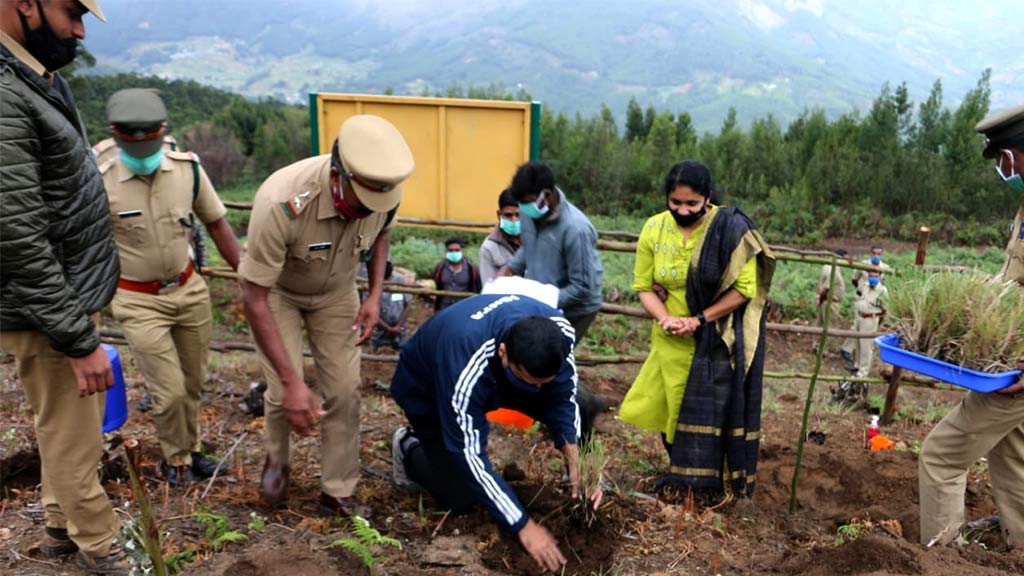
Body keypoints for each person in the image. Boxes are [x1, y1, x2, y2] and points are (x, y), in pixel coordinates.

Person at [0, 1, 130, 574]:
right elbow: (16, 233)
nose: (79, 30)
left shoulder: (31, 76)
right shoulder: (5, 95)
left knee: (58, 423)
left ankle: (59, 525)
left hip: (55, 300)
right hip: (48, 307)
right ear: (25, 3)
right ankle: (104, 550)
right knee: (77, 436)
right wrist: (78, 339)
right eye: (71, 13)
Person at [240, 115, 414, 518]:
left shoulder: (381, 192)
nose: (367, 211)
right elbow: (254, 295)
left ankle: (338, 489)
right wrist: (291, 380)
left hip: (337, 294)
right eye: (360, 203)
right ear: (338, 177)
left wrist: (373, 295)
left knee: (345, 388)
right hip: (279, 292)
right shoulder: (280, 202)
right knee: (285, 391)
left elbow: (382, 232)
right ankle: (277, 462)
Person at [389, 293, 602, 573]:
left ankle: (573, 481)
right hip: (428, 390)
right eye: (530, 381)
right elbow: (470, 456)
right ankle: (409, 446)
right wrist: (523, 525)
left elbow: (562, 396)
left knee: (581, 404)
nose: (539, 389)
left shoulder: (559, 334)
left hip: (502, 377)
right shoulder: (464, 364)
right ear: (503, 352)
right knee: (462, 498)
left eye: (544, 382)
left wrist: (575, 458)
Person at [99, 88, 241, 486]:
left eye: (151, 139)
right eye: (132, 140)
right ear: (117, 134)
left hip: (188, 290)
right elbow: (86, 245)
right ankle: (174, 461)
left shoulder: (187, 169)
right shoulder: (101, 178)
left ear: (162, 131)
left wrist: (248, 276)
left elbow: (216, 223)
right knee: (169, 390)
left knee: (192, 383)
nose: (142, 149)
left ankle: (191, 452)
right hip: (136, 297)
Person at [617, 160, 774, 498]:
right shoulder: (654, 229)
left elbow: (743, 288)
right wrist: (665, 318)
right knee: (671, 413)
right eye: (676, 203)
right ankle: (685, 477)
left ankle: (711, 484)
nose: (683, 210)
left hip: (715, 339)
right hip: (669, 338)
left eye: (692, 204)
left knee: (713, 413)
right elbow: (644, 285)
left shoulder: (727, 230)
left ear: (708, 198)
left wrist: (698, 319)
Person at [919, 103, 1024, 550]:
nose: (1004, 170)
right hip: (1012, 365)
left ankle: (940, 560)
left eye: (1004, 160)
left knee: (940, 458)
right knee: (1014, 457)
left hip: (1015, 377)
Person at [497, 162, 607, 438]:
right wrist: (510, 267)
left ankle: (581, 411)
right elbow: (528, 250)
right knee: (542, 359)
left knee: (550, 361)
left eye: (528, 202)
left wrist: (545, 298)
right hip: (543, 301)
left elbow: (584, 287)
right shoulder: (529, 215)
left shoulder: (576, 229)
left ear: (546, 196)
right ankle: (575, 407)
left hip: (576, 307)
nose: (523, 209)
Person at [478, 189, 521, 284]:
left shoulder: (536, 241)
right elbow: (489, 288)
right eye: (508, 215)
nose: (514, 220)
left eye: (518, 215)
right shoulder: (489, 248)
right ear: (499, 214)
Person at [369, 261, 411, 352]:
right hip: (379, 330)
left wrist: (397, 327)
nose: (386, 282)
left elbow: (407, 304)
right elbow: (369, 309)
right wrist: (388, 328)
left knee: (402, 353)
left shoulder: (399, 281)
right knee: (377, 356)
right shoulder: (370, 282)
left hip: (400, 330)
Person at [432, 236, 481, 311]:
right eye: (450, 250)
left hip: (465, 306)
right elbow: (436, 281)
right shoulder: (440, 267)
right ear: (446, 252)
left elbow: (478, 286)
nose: (454, 253)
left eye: (457, 250)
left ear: (462, 251)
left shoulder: (472, 268)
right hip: (444, 306)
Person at [816, 248, 847, 328]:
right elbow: (826, 288)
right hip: (830, 302)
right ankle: (827, 341)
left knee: (821, 324)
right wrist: (820, 299)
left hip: (825, 301)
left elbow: (820, 283)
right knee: (830, 326)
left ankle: (817, 340)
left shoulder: (826, 266)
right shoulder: (833, 270)